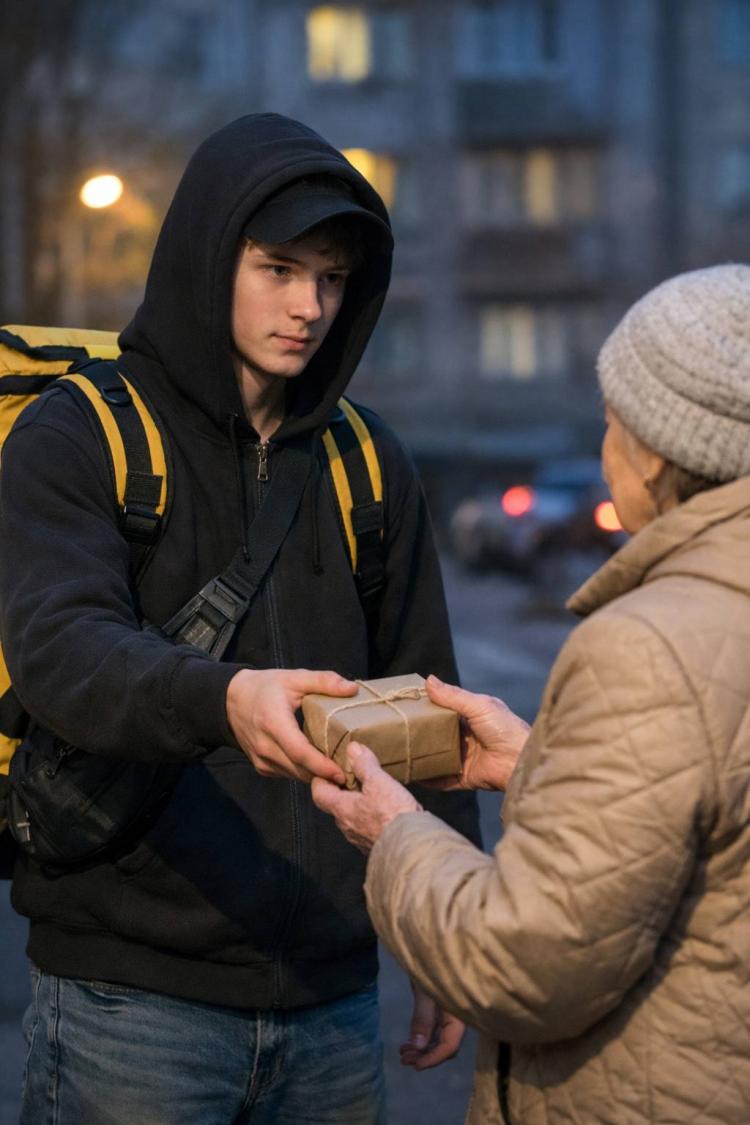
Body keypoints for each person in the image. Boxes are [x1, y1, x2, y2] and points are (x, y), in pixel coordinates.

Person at [0, 114, 479, 1124]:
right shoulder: (82, 434)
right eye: (278, 267)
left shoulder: (366, 461)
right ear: (210, 254)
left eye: (334, 279)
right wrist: (224, 700)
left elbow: (430, 700)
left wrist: (448, 931)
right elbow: (61, 651)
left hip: (335, 1000)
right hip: (130, 1001)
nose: (309, 306)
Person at [313, 264, 750, 1124]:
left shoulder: (650, 644)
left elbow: (521, 963)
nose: (604, 448)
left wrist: (395, 834)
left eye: (609, 422)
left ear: (655, 447)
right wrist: (540, 761)